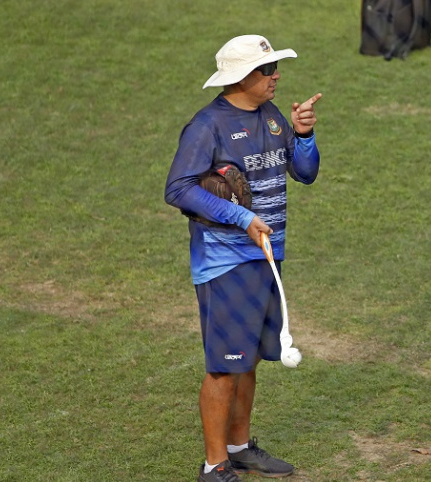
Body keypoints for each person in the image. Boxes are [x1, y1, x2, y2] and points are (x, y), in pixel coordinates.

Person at [164, 34, 322, 482]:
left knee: (247, 359)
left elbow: (305, 173)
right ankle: (214, 465)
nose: (276, 76)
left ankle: (238, 447)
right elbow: (177, 188)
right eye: (267, 70)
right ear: (241, 77)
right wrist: (241, 216)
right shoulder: (206, 126)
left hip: (267, 258)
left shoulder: (271, 116)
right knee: (223, 366)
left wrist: (305, 134)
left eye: (274, 68)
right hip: (225, 263)